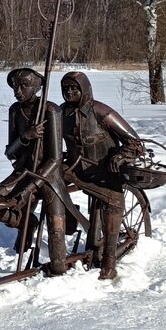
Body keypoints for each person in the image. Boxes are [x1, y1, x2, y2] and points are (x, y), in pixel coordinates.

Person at [0, 68, 77, 275]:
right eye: (15, 86)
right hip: (23, 172)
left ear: (36, 87)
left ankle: (58, 270)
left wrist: (31, 187)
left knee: (55, 227)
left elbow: (55, 159)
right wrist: (26, 136)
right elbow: (10, 152)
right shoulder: (15, 110)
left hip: (49, 177)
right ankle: (27, 222)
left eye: (24, 86)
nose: (18, 91)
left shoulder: (50, 110)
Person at [59, 71, 143, 280]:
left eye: (74, 88)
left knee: (114, 202)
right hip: (76, 169)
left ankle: (109, 262)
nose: (69, 92)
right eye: (66, 88)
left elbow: (135, 142)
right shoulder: (61, 113)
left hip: (104, 172)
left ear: (85, 89)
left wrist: (121, 156)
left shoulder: (100, 111)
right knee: (49, 184)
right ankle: (68, 219)